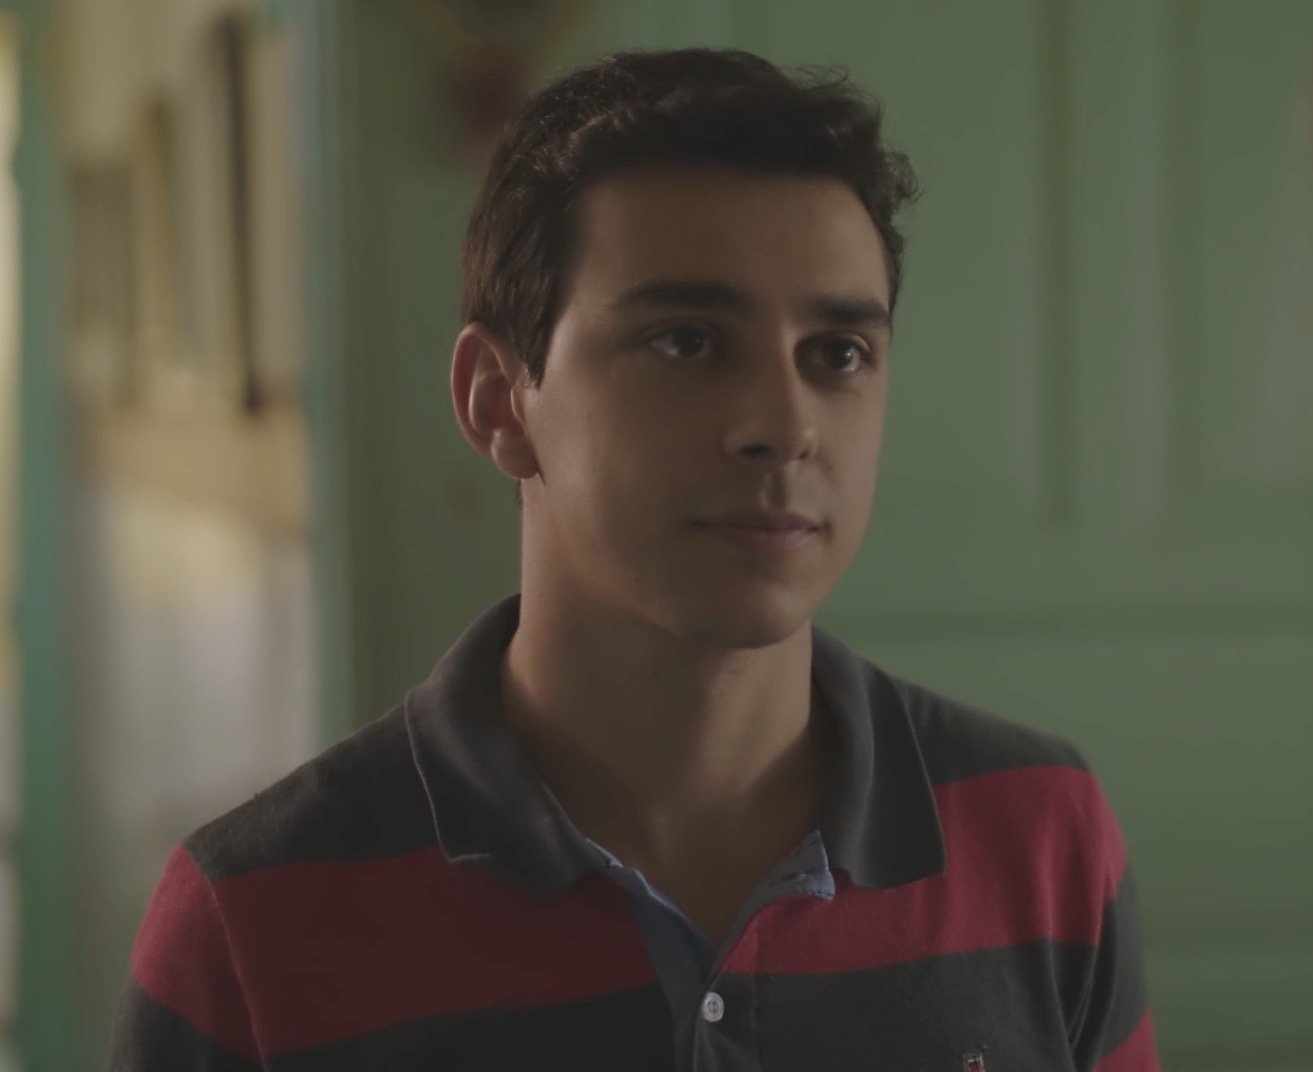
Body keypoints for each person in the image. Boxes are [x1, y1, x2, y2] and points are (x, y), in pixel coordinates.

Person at [111, 46, 1160, 1071]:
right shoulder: (252, 919)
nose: (782, 426)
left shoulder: (1037, 829)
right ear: (497, 401)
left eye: (836, 354)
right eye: (686, 341)